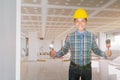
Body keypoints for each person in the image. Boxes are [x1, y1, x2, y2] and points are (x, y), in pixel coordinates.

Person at [53, 8, 112, 80]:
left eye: (82, 21)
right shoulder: (70, 36)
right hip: (73, 68)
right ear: (74, 23)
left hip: (87, 69)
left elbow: (96, 50)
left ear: (86, 22)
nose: (80, 23)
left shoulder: (91, 36)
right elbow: (64, 50)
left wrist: (105, 54)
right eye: (77, 21)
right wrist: (55, 54)